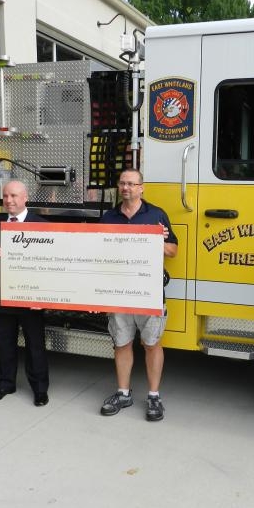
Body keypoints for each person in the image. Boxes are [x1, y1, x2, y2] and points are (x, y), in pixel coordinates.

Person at [99, 168, 178, 422]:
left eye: (132, 184)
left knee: (152, 344)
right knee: (121, 342)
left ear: (141, 188)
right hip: (118, 290)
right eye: (122, 183)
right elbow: (96, 251)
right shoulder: (108, 217)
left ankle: (154, 396)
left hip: (149, 291)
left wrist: (160, 242)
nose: (126, 188)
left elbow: (173, 250)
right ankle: (123, 394)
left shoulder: (156, 215)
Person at [0, 180, 50, 406]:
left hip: (31, 299)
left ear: (25, 197)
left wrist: (44, 296)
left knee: (35, 345)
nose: (9, 200)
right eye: (6, 196)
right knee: (5, 344)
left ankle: (40, 389)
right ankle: (5, 384)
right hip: (2, 296)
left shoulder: (41, 225)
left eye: (14, 196)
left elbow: (50, 264)